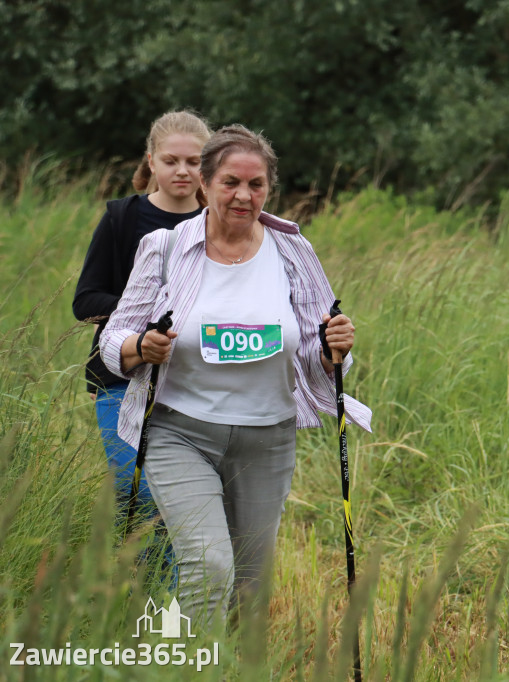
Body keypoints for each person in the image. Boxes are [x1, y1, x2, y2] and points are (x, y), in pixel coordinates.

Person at [98, 124, 372, 626]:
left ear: (269, 188)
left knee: (247, 589)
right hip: (179, 432)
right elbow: (112, 342)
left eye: (256, 184)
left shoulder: (292, 251)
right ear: (205, 183)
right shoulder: (164, 248)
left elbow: (320, 352)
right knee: (209, 566)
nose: (244, 195)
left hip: (267, 438)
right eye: (230, 182)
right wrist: (143, 345)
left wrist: (337, 350)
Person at [73, 110, 212, 518]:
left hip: (191, 380)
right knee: (137, 492)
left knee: (182, 501)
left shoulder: (217, 222)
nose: (182, 171)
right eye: (171, 161)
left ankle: (174, 583)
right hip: (120, 375)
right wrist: (144, 315)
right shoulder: (122, 217)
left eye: (194, 161)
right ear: (151, 161)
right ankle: (136, 578)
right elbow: (86, 301)